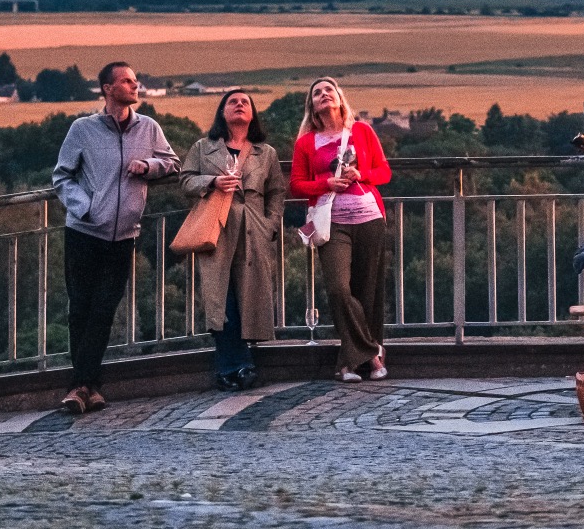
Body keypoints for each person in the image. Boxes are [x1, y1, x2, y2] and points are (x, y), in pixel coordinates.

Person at [51, 62, 179, 414]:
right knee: (81, 309)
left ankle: (82, 385)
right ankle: (86, 386)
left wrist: (149, 167)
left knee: (104, 309)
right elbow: (62, 177)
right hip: (83, 234)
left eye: (135, 80)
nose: (135, 85)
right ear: (107, 88)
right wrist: (86, 208)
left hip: (123, 237)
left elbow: (172, 162)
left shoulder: (148, 127)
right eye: (126, 80)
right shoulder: (83, 129)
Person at [180, 89, 287, 390]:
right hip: (217, 228)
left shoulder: (266, 153)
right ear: (222, 112)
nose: (239, 104)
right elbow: (185, 179)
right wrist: (212, 181)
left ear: (252, 114)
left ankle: (234, 367)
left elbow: (277, 192)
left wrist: (271, 225)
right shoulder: (203, 147)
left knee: (247, 297)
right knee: (220, 299)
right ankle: (236, 365)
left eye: (245, 102)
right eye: (232, 101)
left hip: (253, 230)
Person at [290, 77, 393, 382]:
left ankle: (348, 362)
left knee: (368, 292)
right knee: (338, 288)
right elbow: (295, 185)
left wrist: (361, 173)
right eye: (317, 93)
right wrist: (325, 183)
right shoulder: (306, 142)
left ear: (339, 99)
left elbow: (384, 172)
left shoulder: (361, 131)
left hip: (369, 218)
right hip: (331, 223)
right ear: (312, 105)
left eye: (328, 91)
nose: (323, 95)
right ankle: (373, 354)